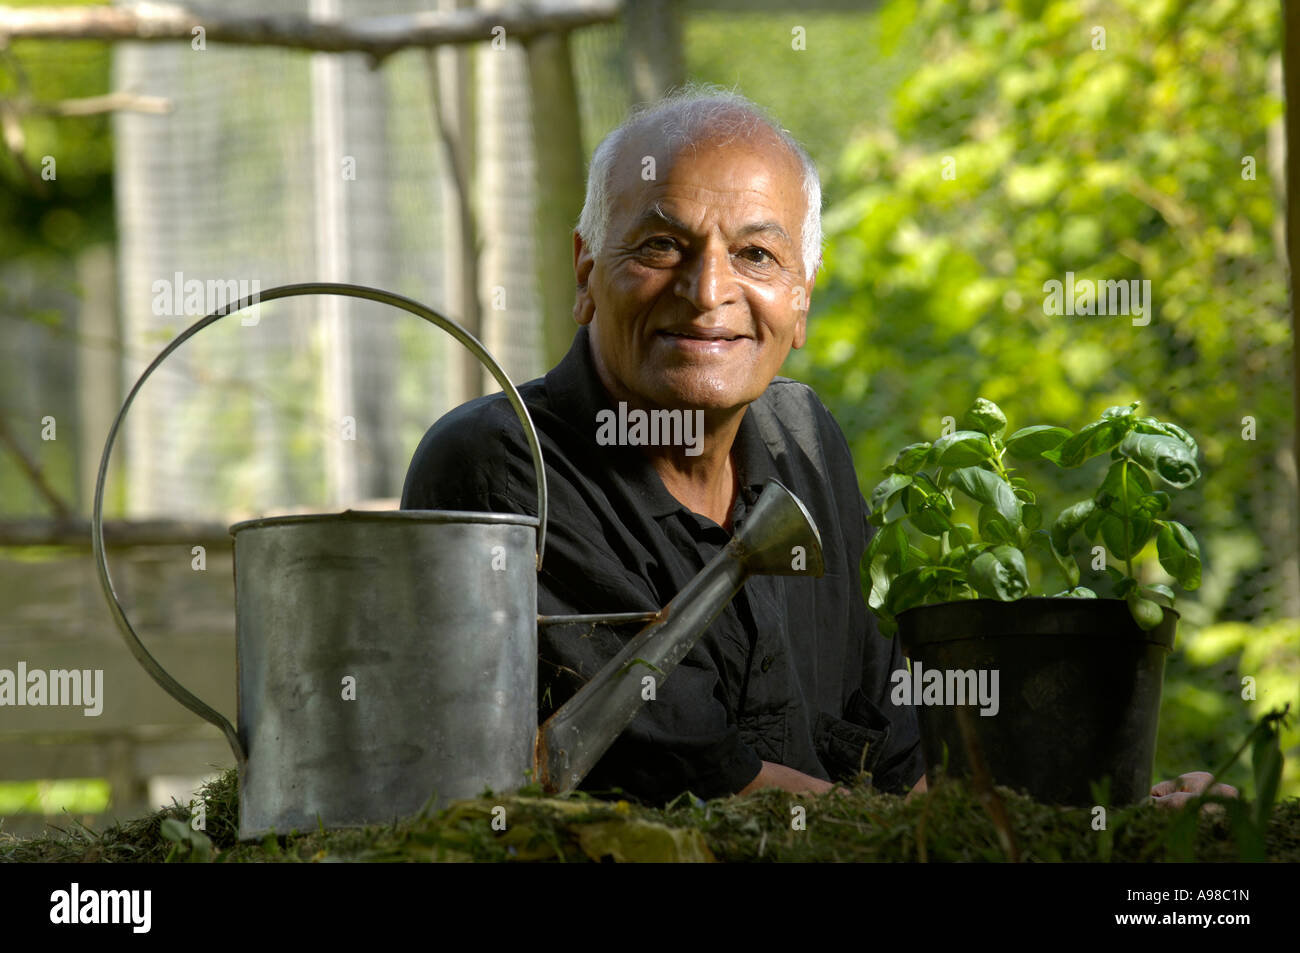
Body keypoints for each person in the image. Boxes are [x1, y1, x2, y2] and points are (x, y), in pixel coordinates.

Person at [401, 85, 1235, 810]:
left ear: (799, 305)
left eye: (756, 255)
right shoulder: (504, 466)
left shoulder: (803, 442)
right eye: (661, 247)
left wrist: (1106, 819)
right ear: (586, 274)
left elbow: (894, 755)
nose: (709, 292)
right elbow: (688, 779)